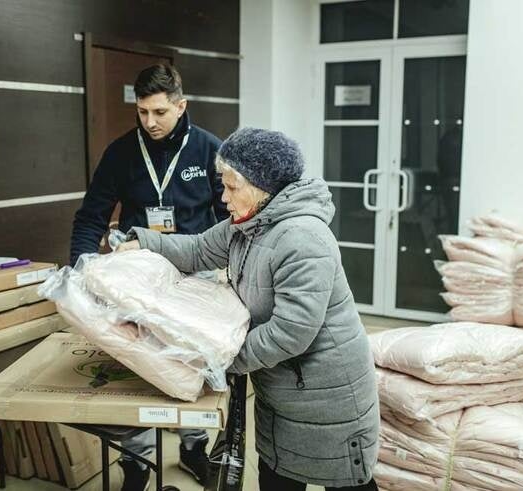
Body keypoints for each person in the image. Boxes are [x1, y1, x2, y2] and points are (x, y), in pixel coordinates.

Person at [119, 128, 380, 490]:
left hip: (326, 397)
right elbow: (198, 250)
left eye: (232, 187)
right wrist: (143, 243)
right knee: (277, 475)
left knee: (343, 482)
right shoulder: (248, 225)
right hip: (282, 388)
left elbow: (291, 332)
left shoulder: (303, 238)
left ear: (261, 187)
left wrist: (218, 359)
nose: (223, 197)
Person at [70, 63, 228, 491]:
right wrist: (82, 270)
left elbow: (229, 219)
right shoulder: (121, 153)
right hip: (138, 277)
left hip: (195, 274)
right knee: (137, 363)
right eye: (142, 112)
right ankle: (136, 461)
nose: (150, 122)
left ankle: (193, 447)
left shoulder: (209, 150)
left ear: (181, 105)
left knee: (190, 362)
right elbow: (91, 217)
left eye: (159, 112)